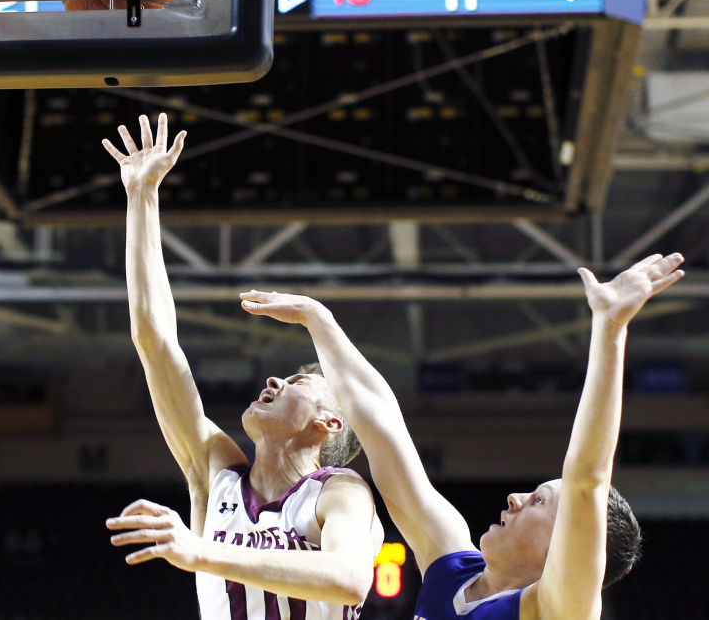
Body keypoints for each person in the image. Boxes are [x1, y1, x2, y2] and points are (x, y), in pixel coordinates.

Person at [239, 252, 685, 619]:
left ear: (571, 540)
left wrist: (609, 331)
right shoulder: (451, 566)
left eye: (540, 502)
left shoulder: (555, 609)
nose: (515, 497)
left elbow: (588, 479)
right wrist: (320, 322)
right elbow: (382, 428)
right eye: (532, 493)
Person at [101, 114, 383, 620]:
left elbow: (350, 579)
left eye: (297, 382)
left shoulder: (339, 489)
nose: (273, 380)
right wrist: (141, 197)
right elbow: (155, 343)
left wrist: (199, 552)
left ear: (328, 423)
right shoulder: (218, 474)